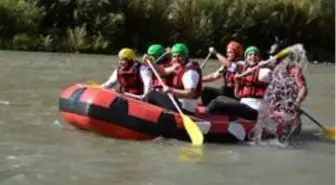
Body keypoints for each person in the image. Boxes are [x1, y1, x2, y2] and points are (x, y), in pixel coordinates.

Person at [255, 42, 308, 142]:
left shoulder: (294, 70)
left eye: (273, 55)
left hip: (288, 112)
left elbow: (303, 88)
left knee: (283, 140)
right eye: (270, 55)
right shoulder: (276, 67)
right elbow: (268, 65)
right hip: (274, 112)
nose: (271, 57)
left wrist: (297, 102)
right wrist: (263, 64)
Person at [204, 46, 272, 120]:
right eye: (250, 54)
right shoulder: (243, 69)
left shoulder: (264, 71)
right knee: (220, 98)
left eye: (255, 55)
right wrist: (237, 82)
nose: (253, 56)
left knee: (215, 103)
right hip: (244, 104)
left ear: (259, 58)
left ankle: (205, 121)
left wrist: (268, 65)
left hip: (254, 110)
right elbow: (237, 95)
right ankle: (226, 120)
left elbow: (273, 69)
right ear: (246, 58)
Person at [143, 43, 202, 115]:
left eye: (179, 56)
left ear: (186, 56)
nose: (176, 59)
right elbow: (163, 71)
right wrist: (150, 63)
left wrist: (171, 90)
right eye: (174, 56)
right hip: (177, 103)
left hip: (184, 109)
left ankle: (149, 116)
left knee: (152, 94)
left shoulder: (190, 72)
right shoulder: (178, 66)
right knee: (155, 93)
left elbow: (190, 94)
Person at [201, 41, 245, 105]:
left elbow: (230, 66)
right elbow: (214, 76)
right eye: (227, 52)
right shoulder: (225, 66)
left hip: (235, 95)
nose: (227, 54)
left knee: (221, 95)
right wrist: (200, 79)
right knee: (206, 91)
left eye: (230, 52)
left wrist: (216, 53)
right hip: (226, 92)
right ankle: (207, 112)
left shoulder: (242, 64)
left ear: (237, 53)